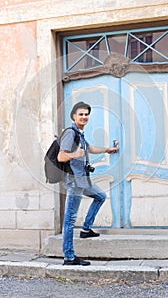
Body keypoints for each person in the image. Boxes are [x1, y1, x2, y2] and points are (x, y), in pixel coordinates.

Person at [58, 101, 117, 266]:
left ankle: (85, 230)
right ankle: (69, 257)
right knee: (69, 220)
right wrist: (75, 154)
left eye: (86, 114)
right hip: (74, 182)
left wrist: (106, 150)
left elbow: (89, 148)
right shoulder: (70, 133)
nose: (84, 117)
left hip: (83, 179)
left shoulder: (80, 134)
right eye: (81, 114)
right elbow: (61, 157)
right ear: (74, 116)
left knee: (100, 196)